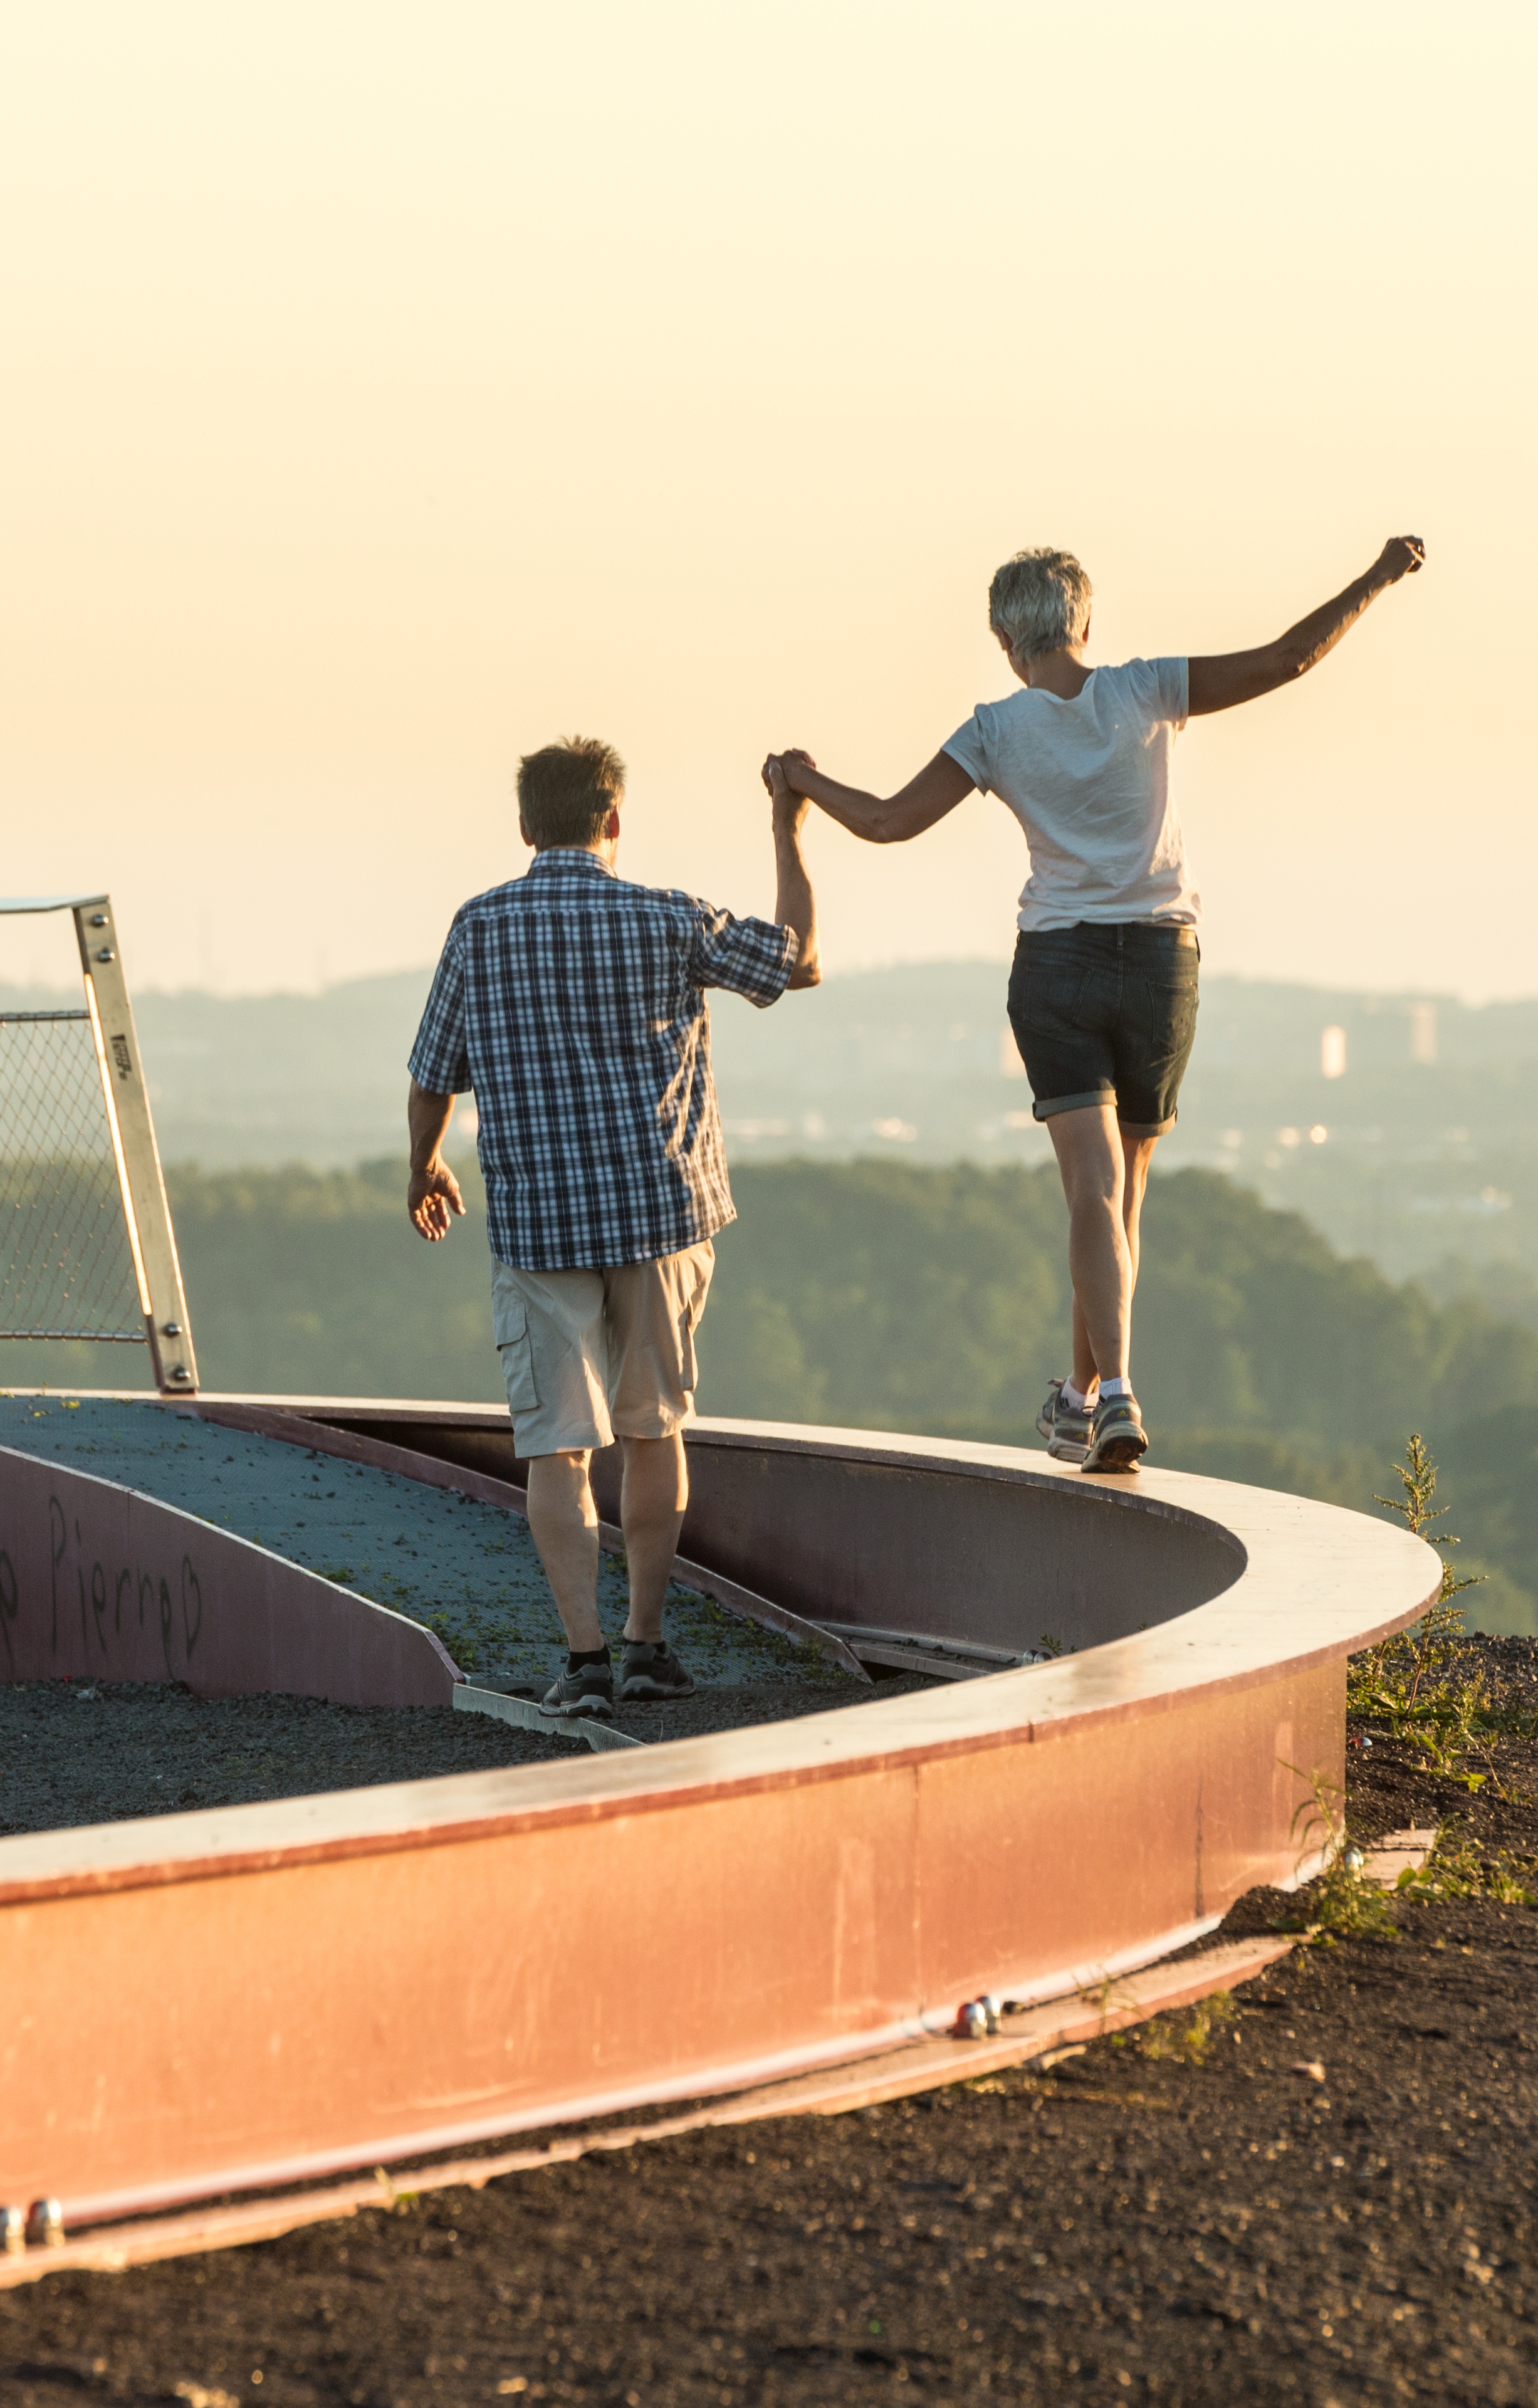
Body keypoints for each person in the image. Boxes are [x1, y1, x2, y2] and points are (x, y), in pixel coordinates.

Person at [769, 535, 1425, 1475]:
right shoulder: (1143, 689)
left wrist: (799, 788)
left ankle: (1095, 1395)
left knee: (1090, 1192)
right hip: (1160, 961)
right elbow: (1286, 658)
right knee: (1125, 1195)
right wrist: (1371, 580)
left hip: (1056, 967)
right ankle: (1096, 1396)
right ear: (1084, 621)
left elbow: (882, 820)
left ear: (1005, 639)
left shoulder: (992, 729)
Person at [405, 734, 819, 1719]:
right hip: (659, 1215)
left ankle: (582, 1657)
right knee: (653, 1430)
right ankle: (644, 1642)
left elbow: (432, 1071)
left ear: (524, 827)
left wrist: (422, 1162)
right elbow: (794, 961)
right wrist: (785, 826)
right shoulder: (668, 918)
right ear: (613, 820)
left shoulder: (480, 924)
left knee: (556, 1446)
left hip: (539, 1223)